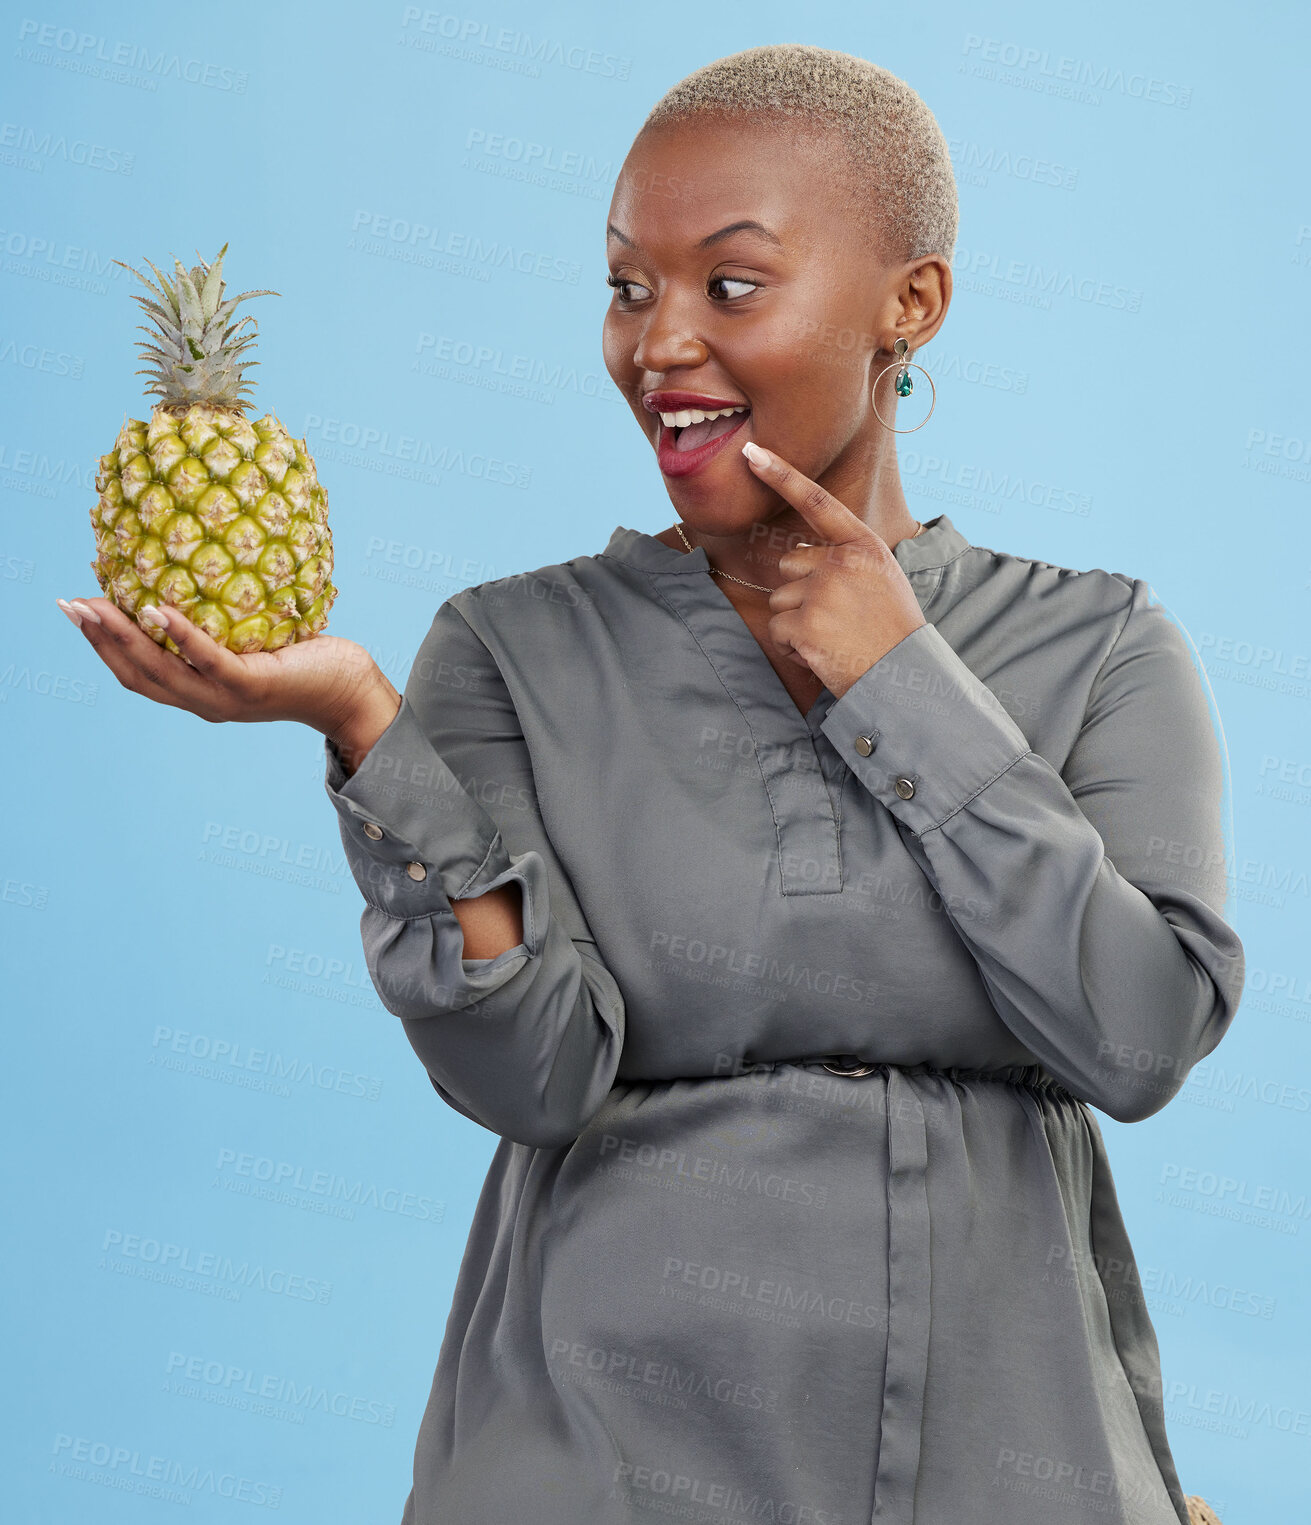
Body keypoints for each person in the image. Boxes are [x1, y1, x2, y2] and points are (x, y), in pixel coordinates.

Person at [60, 43, 1244, 1525]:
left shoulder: (1100, 645)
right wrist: (368, 727)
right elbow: (530, 1071)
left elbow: (1136, 1038)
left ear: (911, 303)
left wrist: (903, 686)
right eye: (628, 288)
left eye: (729, 288)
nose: (657, 346)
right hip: (598, 1469)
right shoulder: (510, 648)